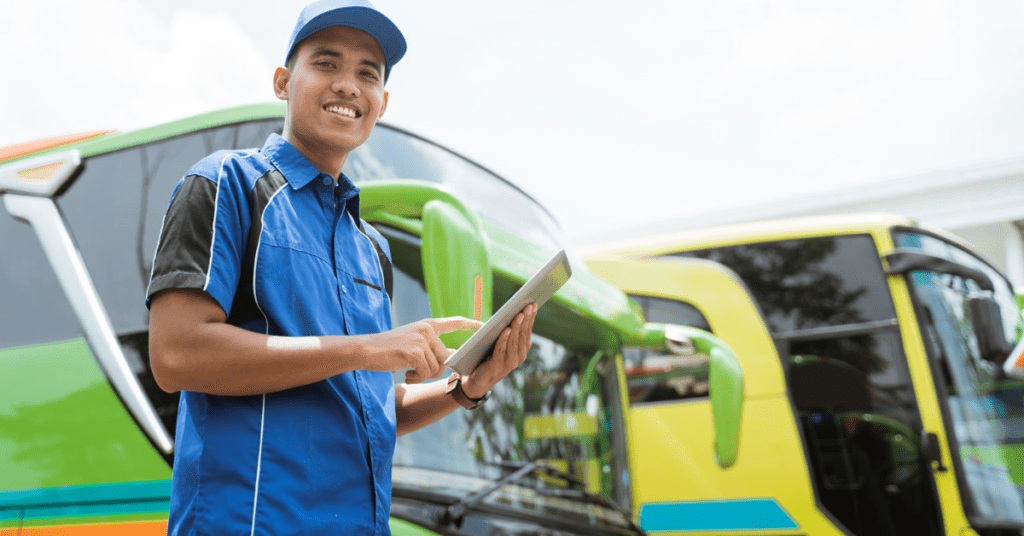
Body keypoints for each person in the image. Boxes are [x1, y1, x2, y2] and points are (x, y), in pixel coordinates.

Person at [145, 1, 538, 534]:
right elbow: (176, 354)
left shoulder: (370, 248)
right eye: (326, 64)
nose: (348, 85)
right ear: (284, 82)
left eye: (366, 74)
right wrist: (372, 348)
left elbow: (368, 406)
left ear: (382, 102)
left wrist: (465, 388)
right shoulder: (225, 184)